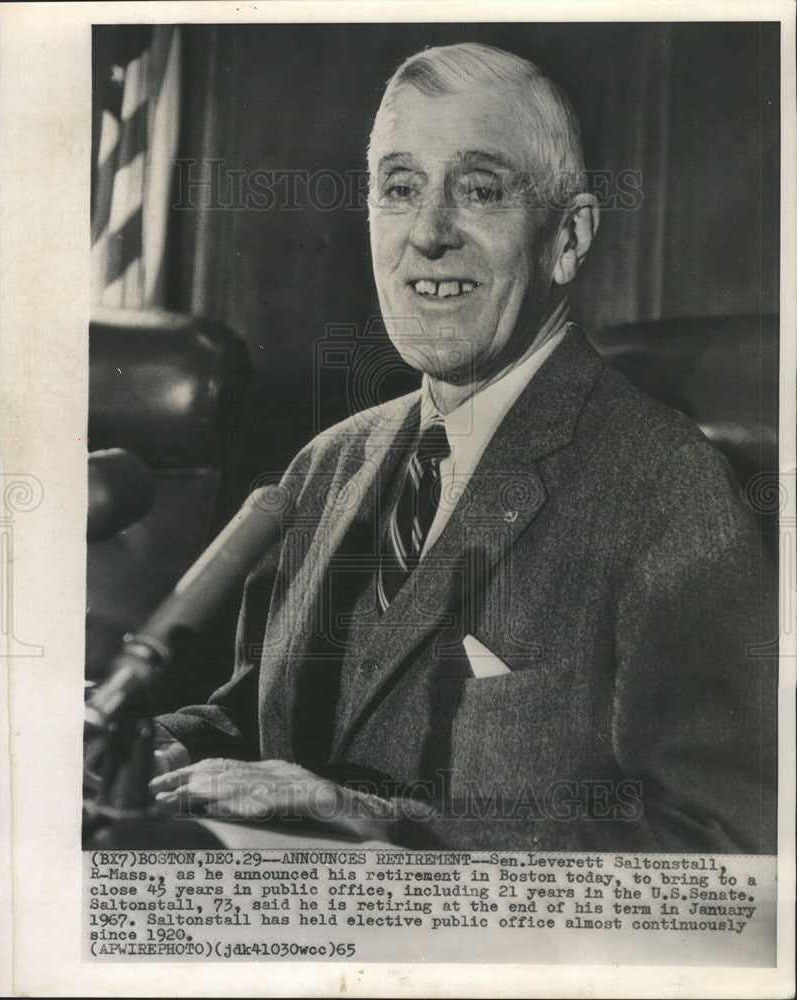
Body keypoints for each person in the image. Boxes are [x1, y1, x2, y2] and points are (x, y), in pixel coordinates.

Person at [149, 42, 777, 852]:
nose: (429, 233)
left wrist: (382, 823)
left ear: (570, 238)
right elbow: (257, 719)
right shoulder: (326, 465)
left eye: (480, 190)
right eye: (400, 188)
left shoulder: (669, 489)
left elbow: (727, 848)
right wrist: (158, 750)